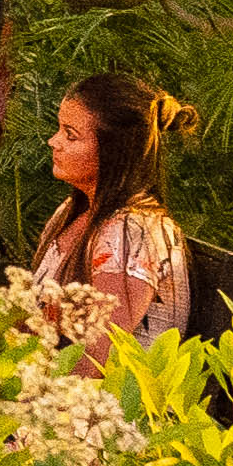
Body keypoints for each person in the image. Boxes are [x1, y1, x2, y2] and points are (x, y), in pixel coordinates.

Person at [32, 70, 193, 353]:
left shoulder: (131, 233)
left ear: (114, 150)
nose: (53, 142)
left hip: (111, 394)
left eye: (71, 135)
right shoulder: (72, 212)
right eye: (60, 129)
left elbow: (97, 358)